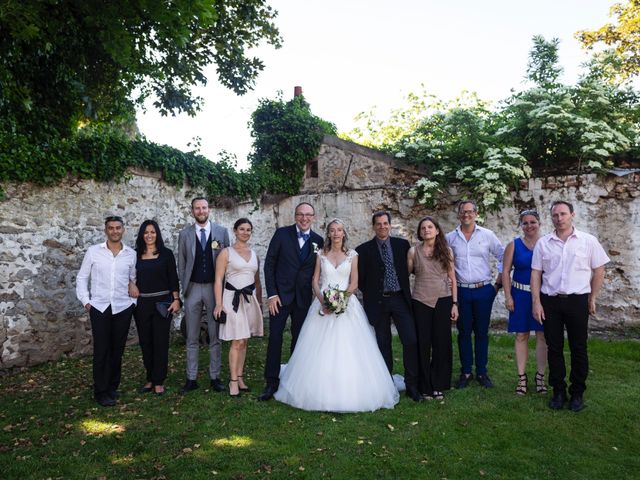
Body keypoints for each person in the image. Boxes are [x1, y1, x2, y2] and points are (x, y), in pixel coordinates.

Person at [274, 219, 399, 412]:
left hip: (347, 304)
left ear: (343, 233)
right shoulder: (320, 254)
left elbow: (355, 282)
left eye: (339, 230)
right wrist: (323, 301)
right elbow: (315, 280)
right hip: (322, 303)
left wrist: (341, 301)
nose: (336, 233)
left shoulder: (352, 255)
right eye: (332, 230)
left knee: (349, 347)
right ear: (329, 234)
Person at [531, 201, 609, 412]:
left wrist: (592, 297)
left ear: (572, 215)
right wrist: (536, 302)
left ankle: (577, 393)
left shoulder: (588, 241)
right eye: (555, 215)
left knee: (578, 347)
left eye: (563, 214)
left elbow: (599, 269)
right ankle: (558, 391)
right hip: (551, 301)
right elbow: (536, 273)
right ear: (551, 218)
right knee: (554, 347)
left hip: (577, 300)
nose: (559, 218)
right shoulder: (543, 243)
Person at [258, 202, 324, 401]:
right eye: (300, 214)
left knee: (299, 340)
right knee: (275, 338)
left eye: (308, 215)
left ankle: (295, 381)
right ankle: (271, 382)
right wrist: (272, 294)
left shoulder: (318, 240)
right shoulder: (281, 234)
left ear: (313, 217)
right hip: (280, 297)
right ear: (295, 216)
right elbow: (269, 265)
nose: (304, 218)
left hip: (303, 298)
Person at [356, 211, 422, 402]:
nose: (382, 227)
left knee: (410, 340)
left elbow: (411, 269)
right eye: (378, 224)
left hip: (400, 299)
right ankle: (386, 385)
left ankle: (412, 385)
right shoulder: (363, 250)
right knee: (383, 343)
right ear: (373, 226)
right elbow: (360, 280)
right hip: (378, 302)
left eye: (385, 224)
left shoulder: (402, 245)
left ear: (390, 225)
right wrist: (374, 292)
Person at [76, 215, 137, 407]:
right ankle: (100, 390)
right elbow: (81, 278)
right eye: (111, 228)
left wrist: (132, 303)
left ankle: (112, 386)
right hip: (100, 307)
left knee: (117, 350)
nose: (115, 231)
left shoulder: (130, 254)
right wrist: (86, 302)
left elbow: (133, 280)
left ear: (123, 230)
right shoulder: (94, 252)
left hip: (122, 307)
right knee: (102, 350)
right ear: (106, 231)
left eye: (118, 228)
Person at [446, 200, 504, 389]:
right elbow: (442, 262)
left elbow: (504, 257)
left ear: (476, 214)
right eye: (463, 212)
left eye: (470, 212)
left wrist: (497, 284)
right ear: (458, 214)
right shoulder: (450, 238)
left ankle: (481, 371)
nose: (466, 215)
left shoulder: (487, 235)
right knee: (463, 333)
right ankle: (466, 372)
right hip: (461, 291)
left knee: (481, 332)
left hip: (484, 290)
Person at [177, 197, 230, 394]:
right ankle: (191, 377)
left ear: (209, 209)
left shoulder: (221, 232)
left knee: (215, 335)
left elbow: (227, 261)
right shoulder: (185, 234)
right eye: (197, 208)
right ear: (192, 211)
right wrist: (184, 288)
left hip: (214, 289)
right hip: (192, 288)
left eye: (204, 207)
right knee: (191, 335)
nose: (201, 211)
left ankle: (215, 376)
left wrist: (223, 293)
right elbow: (181, 263)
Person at [408, 216, 458, 400]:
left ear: (437, 230)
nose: (426, 230)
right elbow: (406, 274)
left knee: (441, 344)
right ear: (420, 233)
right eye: (423, 228)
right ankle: (425, 385)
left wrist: (455, 304)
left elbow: (453, 278)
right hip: (420, 301)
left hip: (443, 300)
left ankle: (438, 384)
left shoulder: (447, 251)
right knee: (423, 344)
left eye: (430, 227)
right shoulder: (413, 252)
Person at [213, 218, 264, 397]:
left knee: (245, 341)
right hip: (231, 300)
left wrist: (259, 301)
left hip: (249, 300)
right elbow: (218, 279)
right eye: (242, 229)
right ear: (235, 231)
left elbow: (257, 281)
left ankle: (240, 377)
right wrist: (218, 304)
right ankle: (233, 381)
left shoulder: (254, 254)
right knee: (237, 341)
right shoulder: (226, 253)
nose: (245, 232)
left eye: (248, 229)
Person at [132, 220, 181, 396]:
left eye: (153, 232)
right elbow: (128, 276)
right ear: (142, 235)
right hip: (142, 304)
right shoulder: (135, 255)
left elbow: (173, 278)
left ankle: (159, 380)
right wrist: (131, 284)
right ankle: (150, 378)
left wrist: (176, 299)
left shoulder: (166, 254)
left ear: (157, 234)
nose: (149, 235)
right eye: (146, 232)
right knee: (146, 342)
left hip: (163, 304)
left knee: (160, 342)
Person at [502, 210, 547, 396]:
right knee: (521, 335)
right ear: (521, 225)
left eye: (533, 222)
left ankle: (540, 377)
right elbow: (505, 272)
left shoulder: (546, 243)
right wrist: (508, 296)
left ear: (539, 223)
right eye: (525, 223)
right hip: (519, 295)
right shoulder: (514, 245)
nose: (529, 226)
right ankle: (521, 378)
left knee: (542, 335)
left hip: (542, 296)